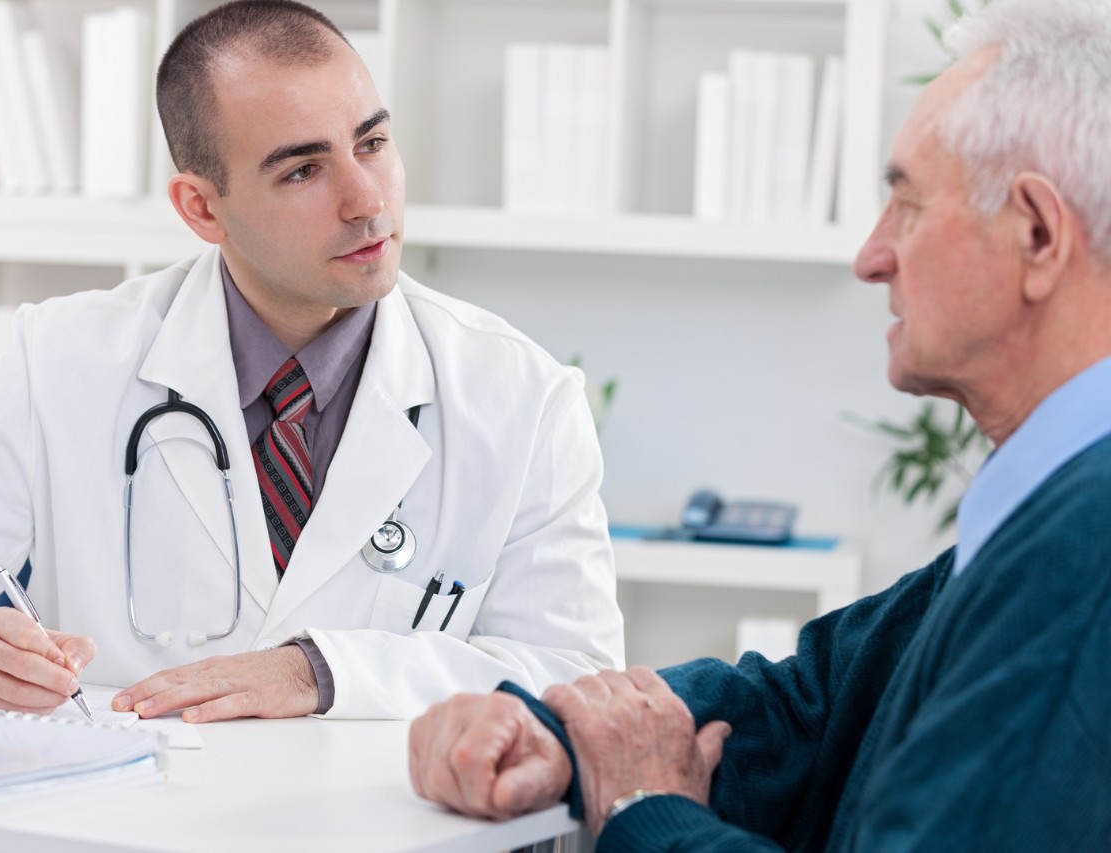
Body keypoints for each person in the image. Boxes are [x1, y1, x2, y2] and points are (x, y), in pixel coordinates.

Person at [408, 0, 1111, 847]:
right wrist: (558, 733)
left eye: (909, 206)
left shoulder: (1087, 550)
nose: (871, 255)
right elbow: (813, 705)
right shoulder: (1047, 512)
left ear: (1036, 233)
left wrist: (642, 809)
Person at [0, 0, 623, 722]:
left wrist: (327, 671)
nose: (367, 200)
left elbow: (582, 681)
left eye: (373, 143)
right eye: (304, 169)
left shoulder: (523, 398)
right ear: (202, 208)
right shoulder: (66, 360)